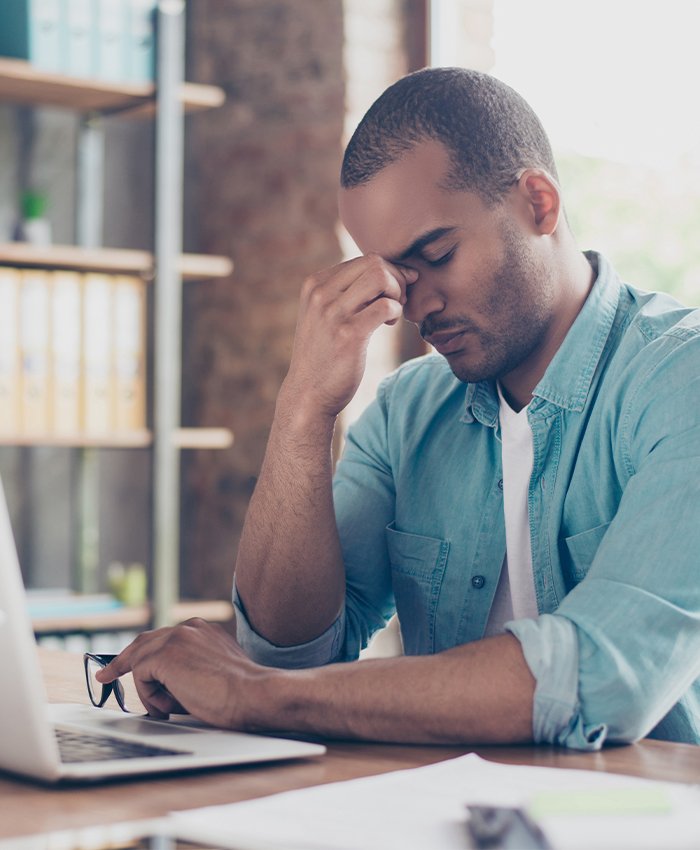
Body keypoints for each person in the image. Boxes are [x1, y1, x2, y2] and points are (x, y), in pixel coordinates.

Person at [99, 67, 700, 750]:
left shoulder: (680, 381)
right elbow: (289, 652)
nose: (416, 308)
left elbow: (602, 679)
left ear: (539, 202)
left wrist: (251, 694)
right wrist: (304, 408)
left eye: (437, 255)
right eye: (393, 276)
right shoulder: (407, 409)